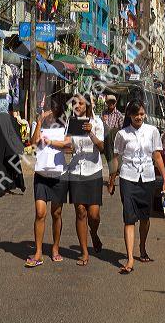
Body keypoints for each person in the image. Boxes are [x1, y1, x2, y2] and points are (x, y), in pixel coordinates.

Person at [107, 99, 165, 274]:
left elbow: (157, 157)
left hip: (148, 178)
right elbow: (117, 159)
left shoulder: (152, 131)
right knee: (129, 218)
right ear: (130, 115)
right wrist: (112, 180)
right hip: (128, 178)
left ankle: (142, 248)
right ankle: (130, 259)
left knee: (145, 217)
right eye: (136, 114)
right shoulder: (122, 134)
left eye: (142, 114)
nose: (139, 117)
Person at [25, 98, 70, 268]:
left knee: (56, 213)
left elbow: (68, 146)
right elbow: (33, 143)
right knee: (40, 213)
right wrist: (38, 122)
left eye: (54, 109)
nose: (51, 112)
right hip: (41, 174)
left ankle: (55, 248)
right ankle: (38, 252)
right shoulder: (41, 124)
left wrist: (51, 142)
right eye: (49, 109)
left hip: (59, 175)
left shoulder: (65, 126)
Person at [68, 94, 104, 266]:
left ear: (87, 105)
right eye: (75, 103)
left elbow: (102, 147)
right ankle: (84, 252)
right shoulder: (71, 123)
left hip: (94, 171)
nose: (77, 106)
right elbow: (69, 146)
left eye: (81, 103)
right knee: (80, 211)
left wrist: (90, 133)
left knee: (94, 214)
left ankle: (94, 233)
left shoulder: (97, 123)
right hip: (76, 171)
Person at [102, 95, 124, 174]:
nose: (111, 104)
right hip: (105, 138)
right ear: (107, 103)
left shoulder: (119, 114)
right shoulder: (104, 112)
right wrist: (103, 121)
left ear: (115, 103)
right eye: (109, 102)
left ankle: (113, 174)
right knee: (108, 157)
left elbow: (121, 130)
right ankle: (113, 173)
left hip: (114, 139)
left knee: (113, 157)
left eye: (113, 102)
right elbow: (102, 126)